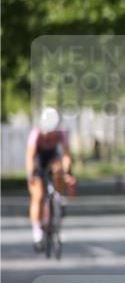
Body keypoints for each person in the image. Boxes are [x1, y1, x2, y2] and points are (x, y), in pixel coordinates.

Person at [25, 107, 75, 251]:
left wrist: (67, 171)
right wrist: (31, 175)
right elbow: (30, 156)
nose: (50, 135)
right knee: (38, 195)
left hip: (53, 158)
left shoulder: (61, 133)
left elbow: (66, 155)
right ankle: (37, 233)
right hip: (38, 161)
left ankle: (59, 198)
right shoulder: (36, 134)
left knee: (58, 169)